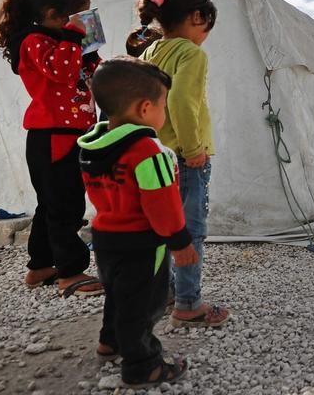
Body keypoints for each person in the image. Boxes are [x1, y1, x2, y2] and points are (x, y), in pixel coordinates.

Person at [78, 57, 197, 387]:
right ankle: (143, 365)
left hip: (105, 237)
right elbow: (163, 205)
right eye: (164, 106)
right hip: (142, 242)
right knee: (144, 305)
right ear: (145, 109)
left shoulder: (94, 147)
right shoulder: (149, 152)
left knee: (118, 294)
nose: (164, 114)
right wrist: (180, 242)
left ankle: (110, 342)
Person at [0, 0, 103, 297]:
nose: (84, 20)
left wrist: (91, 52)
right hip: (52, 136)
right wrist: (73, 39)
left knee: (53, 204)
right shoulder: (34, 42)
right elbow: (61, 71)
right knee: (64, 207)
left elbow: (85, 75)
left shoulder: (63, 42)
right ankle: (71, 272)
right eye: (78, 15)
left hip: (72, 133)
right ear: (55, 16)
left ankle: (40, 266)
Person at [138, 0, 230, 328]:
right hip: (185, 156)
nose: (205, 35)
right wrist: (193, 150)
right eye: (207, 26)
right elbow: (180, 101)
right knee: (192, 229)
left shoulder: (149, 51)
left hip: (156, 153)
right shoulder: (192, 53)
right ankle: (189, 303)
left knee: (164, 226)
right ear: (196, 17)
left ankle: (167, 293)